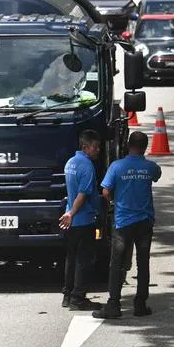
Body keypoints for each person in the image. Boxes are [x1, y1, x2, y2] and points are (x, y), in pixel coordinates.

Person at [93, 131, 161, 319]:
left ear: (127, 145)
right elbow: (157, 175)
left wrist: (115, 202)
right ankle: (140, 304)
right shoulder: (150, 167)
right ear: (145, 147)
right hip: (144, 223)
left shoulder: (117, 166)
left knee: (116, 264)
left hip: (123, 222)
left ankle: (113, 305)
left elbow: (106, 191)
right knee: (143, 263)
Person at [58, 131, 102, 311]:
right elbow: (82, 195)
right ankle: (78, 297)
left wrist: (69, 214)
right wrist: (72, 213)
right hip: (82, 219)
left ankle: (68, 295)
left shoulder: (70, 163)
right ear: (85, 147)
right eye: (95, 146)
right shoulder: (87, 166)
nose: (98, 150)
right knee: (83, 260)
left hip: (71, 222)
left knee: (71, 258)